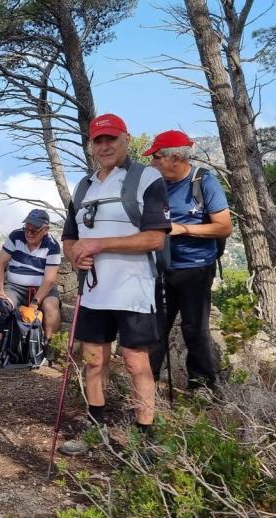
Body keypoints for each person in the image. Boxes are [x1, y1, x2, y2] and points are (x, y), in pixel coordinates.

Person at [58, 113, 171, 455]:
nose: (105, 146)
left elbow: (155, 238)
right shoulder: (84, 186)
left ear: (126, 140)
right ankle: (96, 431)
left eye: (111, 138)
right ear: (91, 146)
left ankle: (145, 438)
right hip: (94, 291)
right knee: (93, 360)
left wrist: (99, 245)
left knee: (136, 363)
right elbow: (69, 237)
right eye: (98, 140)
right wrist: (75, 255)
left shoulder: (146, 177)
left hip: (135, 289)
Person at [143, 130, 232, 394]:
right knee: (155, 328)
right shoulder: (155, 185)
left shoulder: (204, 182)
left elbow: (224, 227)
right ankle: (145, 385)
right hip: (161, 267)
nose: (152, 162)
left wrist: (183, 229)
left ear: (176, 157)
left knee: (194, 328)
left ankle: (202, 385)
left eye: (157, 157)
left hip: (196, 267)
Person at [0, 209, 63, 366]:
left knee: (51, 306)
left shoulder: (52, 246)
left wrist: (35, 302)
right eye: (27, 228)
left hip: (43, 288)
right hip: (15, 287)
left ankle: (49, 345)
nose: (29, 233)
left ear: (45, 230)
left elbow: (49, 280)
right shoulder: (16, 237)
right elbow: (0, 263)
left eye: (34, 230)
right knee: (1, 303)